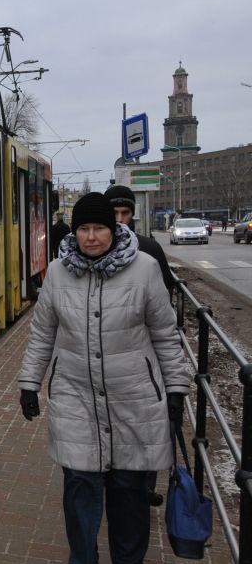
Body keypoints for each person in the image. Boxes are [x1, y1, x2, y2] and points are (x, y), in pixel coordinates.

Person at [17, 192, 189, 564]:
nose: (91, 237)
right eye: (83, 229)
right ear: (74, 232)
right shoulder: (58, 273)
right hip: (75, 394)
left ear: (114, 229)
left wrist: (177, 387)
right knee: (79, 486)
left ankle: (129, 563)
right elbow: (42, 333)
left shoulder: (145, 269)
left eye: (99, 228)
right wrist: (29, 383)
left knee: (129, 489)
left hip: (134, 396)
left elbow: (165, 334)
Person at [105, 184, 175, 507]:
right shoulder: (92, 252)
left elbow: (167, 307)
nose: (120, 219)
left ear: (133, 214)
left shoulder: (150, 250)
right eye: (114, 213)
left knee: (147, 423)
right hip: (111, 358)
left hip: (145, 355)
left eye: (125, 213)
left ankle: (145, 484)